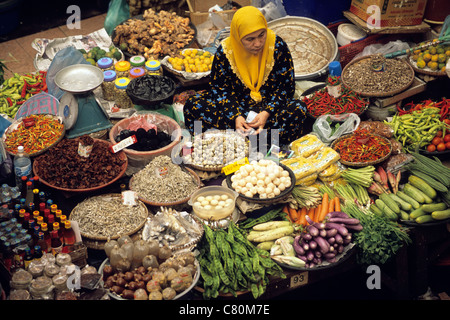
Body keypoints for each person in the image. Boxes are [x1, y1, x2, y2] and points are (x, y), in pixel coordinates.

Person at [183, 6, 307, 147]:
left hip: (268, 109)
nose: (258, 43)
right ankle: (257, 140)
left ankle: (242, 141)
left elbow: (286, 88)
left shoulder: (277, 46)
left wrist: (267, 112)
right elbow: (220, 90)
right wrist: (235, 116)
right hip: (237, 108)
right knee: (193, 105)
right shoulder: (225, 53)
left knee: (298, 109)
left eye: (262, 34)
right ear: (238, 37)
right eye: (250, 39)